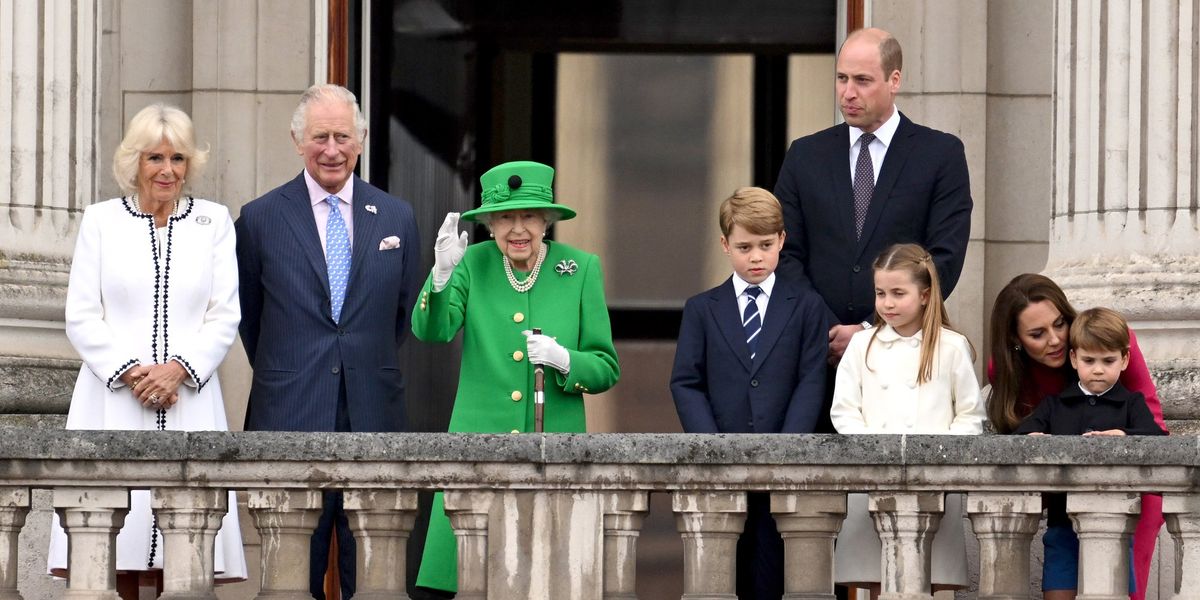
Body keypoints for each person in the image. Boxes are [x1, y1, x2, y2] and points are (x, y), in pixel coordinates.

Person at [48, 103, 247, 599]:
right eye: (155, 157)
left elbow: (225, 314)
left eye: (178, 158)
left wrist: (178, 370)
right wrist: (134, 374)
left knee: (188, 552)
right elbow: (81, 315)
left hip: (189, 399)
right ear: (134, 161)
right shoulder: (101, 221)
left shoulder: (214, 222)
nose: (167, 170)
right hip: (112, 401)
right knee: (112, 549)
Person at [235, 84, 421, 600]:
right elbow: (250, 317)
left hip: (373, 411)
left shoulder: (397, 216)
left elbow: (401, 315)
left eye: (343, 136)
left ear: (361, 140)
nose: (332, 150)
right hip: (290, 410)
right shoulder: (259, 218)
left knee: (375, 579)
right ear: (298, 141)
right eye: (320, 137)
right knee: (290, 581)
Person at [412, 160, 620, 595]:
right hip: (477, 449)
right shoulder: (473, 263)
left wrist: (565, 360)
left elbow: (605, 367)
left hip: (553, 456)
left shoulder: (580, 268)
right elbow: (432, 331)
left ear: (546, 221)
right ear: (490, 225)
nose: (518, 228)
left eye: (529, 216)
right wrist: (441, 276)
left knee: (545, 584)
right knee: (469, 581)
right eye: (505, 217)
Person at [773, 28, 972, 431]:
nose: (848, 92)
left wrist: (869, 330)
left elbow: (944, 257)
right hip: (815, 359)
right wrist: (827, 328)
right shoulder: (805, 155)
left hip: (905, 363)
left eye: (862, 80)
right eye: (842, 78)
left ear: (894, 80)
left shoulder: (940, 154)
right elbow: (785, 251)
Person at [670, 187, 828, 599]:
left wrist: (787, 448)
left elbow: (811, 379)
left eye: (765, 245)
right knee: (721, 580)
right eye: (744, 247)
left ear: (782, 241)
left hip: (784, 470)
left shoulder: (807, 306)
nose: (755, 257)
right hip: (721, 468)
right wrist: (713, 446)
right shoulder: (702, 308)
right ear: (725, 245)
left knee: (777, 577)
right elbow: (686, 382)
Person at [987, 273, 1167, 600]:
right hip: (1062, 504)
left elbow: (1154, 428)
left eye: (1059, 324)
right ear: (1015, 339)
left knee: (1125, 589)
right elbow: (1020, 431)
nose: (1056, 339)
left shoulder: (1108, 342)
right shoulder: (1007, 370)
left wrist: (1124, 437)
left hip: (1130, 490)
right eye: (1037, 334)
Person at [830, 243, 983, 596]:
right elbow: (844, 411)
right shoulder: (862, 345)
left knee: (929, 581)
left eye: (898, 293)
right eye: (880, 293)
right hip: (871, 479)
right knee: (873, 581)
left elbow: (970, 415)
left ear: (925, 295)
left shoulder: (952, 346)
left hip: (934, 484)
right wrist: (873, 452)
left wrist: (937, 456)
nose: (887, 303)